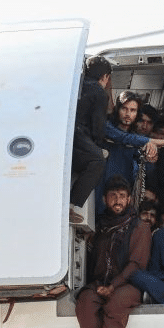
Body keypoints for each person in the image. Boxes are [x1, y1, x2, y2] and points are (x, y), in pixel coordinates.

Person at [75, 175, 151, 328]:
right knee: (85, 301)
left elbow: (136, 264)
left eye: (122, 196)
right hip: (100, 283)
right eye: (113, 196)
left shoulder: (140, 227)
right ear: (104, 199)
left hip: (128, 284)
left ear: (129, 199)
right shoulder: (99, 225)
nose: (118, 200)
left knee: (117, 302)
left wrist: (113, 286)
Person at [98, 91, 164, 207]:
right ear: (118, 109)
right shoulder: (107, 127)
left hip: (124, 194)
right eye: (124, 109)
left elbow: (144, 168)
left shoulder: (139, 140)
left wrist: (151, 157)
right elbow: (126, 138)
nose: (128, 114)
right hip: (102, 188)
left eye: (133, 110)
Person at [70, 56, 111, 223]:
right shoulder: (99, 92)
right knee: (97, 161)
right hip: (79, 136)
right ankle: (70, 206)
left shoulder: (74, 85)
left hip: (66, 138)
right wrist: (99, 147)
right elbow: (98, 127)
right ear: (105, 77)